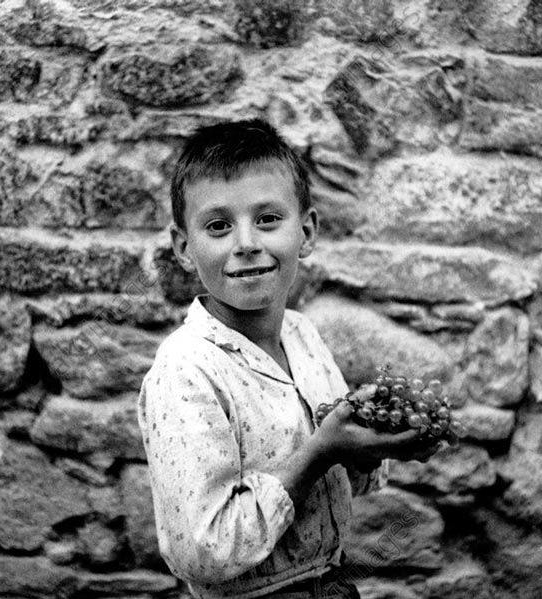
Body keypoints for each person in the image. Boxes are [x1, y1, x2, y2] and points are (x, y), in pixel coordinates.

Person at [137, 118, 440, 599]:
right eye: (218, 226)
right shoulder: (187, 370)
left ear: (307, 231)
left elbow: (347, 485)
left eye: (267, 219)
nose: (246, 243)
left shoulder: (302, 335)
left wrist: (372, 443)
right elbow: (201, 551)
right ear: (183, 248)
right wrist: (319, 453)